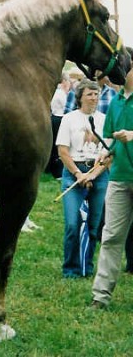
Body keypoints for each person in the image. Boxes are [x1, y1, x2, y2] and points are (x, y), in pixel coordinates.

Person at [90, 67, 133, 309]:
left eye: (123, 68)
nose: (116, 73)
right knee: (111, 237)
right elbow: (109, 139)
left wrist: (132, 134)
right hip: (118, 179)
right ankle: (101, 296)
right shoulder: (115, 102)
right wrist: (104, 154)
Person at [56, 79, 108, 279]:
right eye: (90, 94)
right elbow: (62, 150)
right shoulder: (69, 119)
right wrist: (79, 174)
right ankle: (70, 268)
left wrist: (93, 174)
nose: (94, 98)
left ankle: (87, 265)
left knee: (93, 225)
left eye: (96, 94)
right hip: (74, 173)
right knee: (72, 224)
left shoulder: (104, 119)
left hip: (99, 173)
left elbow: (109, 153)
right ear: (80, 97)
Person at [48, 72, 72, 178]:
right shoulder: (61, 93)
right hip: (60, 118)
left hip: (53, 118)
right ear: (64, 81)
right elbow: (65, 106)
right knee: (60, 144)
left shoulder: (55, 92)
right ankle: (58, 171)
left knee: (54, 144)